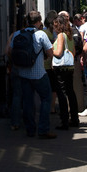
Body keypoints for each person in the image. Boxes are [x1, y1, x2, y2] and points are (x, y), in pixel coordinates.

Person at [9, 11, 57, 139]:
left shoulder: (18, 34)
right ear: (39, 22)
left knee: (27, 102)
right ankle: (43, 129)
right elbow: (50, 52)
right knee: (46, 99)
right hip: (39, 74)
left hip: (23, 73)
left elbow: (10, 51)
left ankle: (30, 129)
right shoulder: (41, 34)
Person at [52, 15, 79, 129]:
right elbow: (73, 51)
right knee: (70, 92)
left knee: (62, 94)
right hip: (69, 67)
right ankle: (74, 119)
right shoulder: (70, 36)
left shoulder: (60, 36)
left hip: (61, 68)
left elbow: (58, 53)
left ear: (58, 25)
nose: (54, 28)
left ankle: (64, 121)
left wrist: (50, 50)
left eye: (55, 25)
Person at [43, 10, 58, 114]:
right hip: (52, 64)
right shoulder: (55, 34)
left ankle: (45, 107)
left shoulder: (43, 33)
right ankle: (52, 107)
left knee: (45, 89)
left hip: (43, 65)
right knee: (53, 88)